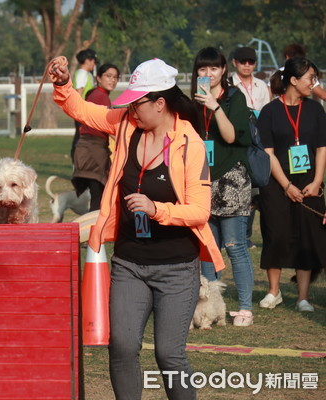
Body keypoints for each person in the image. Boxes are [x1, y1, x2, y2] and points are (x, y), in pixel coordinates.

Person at [48, 56, 225, 400]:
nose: (130, 110)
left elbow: (200, 211)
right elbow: (85, 112)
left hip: (176, 266)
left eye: (137, 103)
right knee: (123, 348)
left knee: (168, 354)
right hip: (128, 263)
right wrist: (63, 84)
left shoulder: (189, 144)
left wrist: (156, 208)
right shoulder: (127, 124)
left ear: (160, 103)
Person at [191, 47, 255, 327]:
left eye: (213, 69)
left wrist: (214, 107)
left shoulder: (233, 98)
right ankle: (210, 307)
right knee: (208, 247)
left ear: (223, 71)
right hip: (202, 180)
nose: (208, 74)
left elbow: (230, 137)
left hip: (231, 180)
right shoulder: (192, 103)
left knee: (235, 246)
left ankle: (245, 308)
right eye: (202, 70)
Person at [257, 57, 326, 312]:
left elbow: (321, 148)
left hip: (309, 181)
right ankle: (274, 291)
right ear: (294, 80)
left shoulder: (316, 110)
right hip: (278, 183)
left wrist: (317, 181)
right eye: (310, 78)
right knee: (276, 234)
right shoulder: (270, 112)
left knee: (307, 235)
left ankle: (303, 297)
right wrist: (285, 185)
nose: (314, 84)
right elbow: (268, 152)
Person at [230, 46, 271, 249]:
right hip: (235, 140)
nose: (247, 65)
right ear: (234, 63)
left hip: (257, 141)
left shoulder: (262, 85)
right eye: (243, 61)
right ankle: (232, 235)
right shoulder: (230, 84)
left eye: (251, 62)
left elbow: (267, 112)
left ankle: (245, 236)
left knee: (254, 188)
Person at [72, 63, 119, 211]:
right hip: (93, 150)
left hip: (86, 149)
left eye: (115, 77)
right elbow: (107, 126)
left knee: (96, 194)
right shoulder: (102, 97)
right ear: (98, 78)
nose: (112, 80)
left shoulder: (94, 94)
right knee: (98, 195)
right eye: (108, 76)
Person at [70, 48, 98, 161]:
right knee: (81, 137)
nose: (94, 64)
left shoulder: (84, 74)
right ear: (87, 61)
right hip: (82, 112)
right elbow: (79, 92)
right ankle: (77, 161)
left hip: (85, 111)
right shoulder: (82, 74)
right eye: (93, 61)